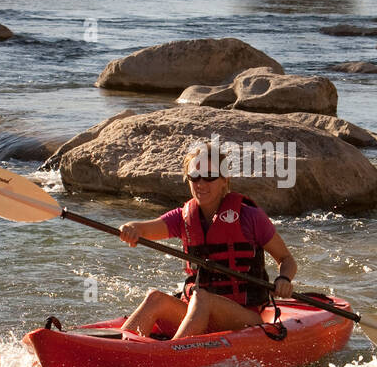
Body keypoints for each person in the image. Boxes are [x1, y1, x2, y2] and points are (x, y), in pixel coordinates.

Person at [120, 146, 298, 341]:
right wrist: (130, 228)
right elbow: (144, 229)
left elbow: (286, 259)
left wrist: (284, 279)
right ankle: (120, 350)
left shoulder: (250, 217)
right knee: (155, 298)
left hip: (243, 317)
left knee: (202, 298)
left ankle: (171, 355)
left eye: (209, 176)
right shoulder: (183, 218)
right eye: (194, 176)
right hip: (197, 312)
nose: (201, 183)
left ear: (224, 180)